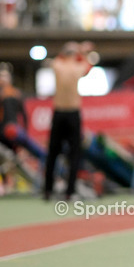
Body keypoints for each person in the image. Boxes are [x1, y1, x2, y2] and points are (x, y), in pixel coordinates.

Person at [43, 42, 93, 201]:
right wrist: (82, 51)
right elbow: (88, 66)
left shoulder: (57, 65)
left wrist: (69, 49)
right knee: (74, 154)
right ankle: (69, 192)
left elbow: (58, 57)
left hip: (59, 112)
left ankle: (47, 190)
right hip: (72, 112)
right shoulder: (78, 67)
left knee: (53, 153)